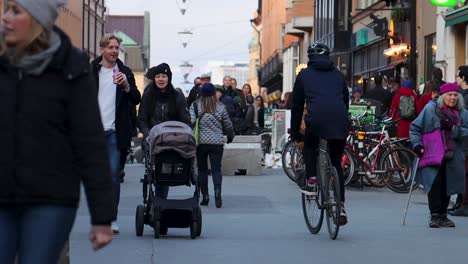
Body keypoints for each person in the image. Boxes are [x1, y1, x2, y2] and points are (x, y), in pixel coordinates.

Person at [0, 0, 116, 262]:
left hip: (50, 199)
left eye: (15, 11)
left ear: (37, 19)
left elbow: (90, 142)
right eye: (6, 9)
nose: (5, 17)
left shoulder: (70, 66)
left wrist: (102, 217)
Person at [290, 42, 349, 225]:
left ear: (310, 58)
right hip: (339, 121)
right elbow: (345, 101)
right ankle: (341, 205)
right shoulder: (339, 75)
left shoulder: (304, 75)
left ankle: (312, 179)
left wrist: (294, 132)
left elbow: (297, 106)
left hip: (316, 121)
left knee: (309, 145)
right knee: (336, 161)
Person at [91, 33, 141, 234]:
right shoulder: (90, 70)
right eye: (110, 47)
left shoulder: (125, 72)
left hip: (113, 131)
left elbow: (136, 98)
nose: (114, 51)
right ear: (102, 49)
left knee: (113, 175)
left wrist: (127, 86)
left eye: (116, 48)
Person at [410, 83, 468, 228]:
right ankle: (435, 215)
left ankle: (443, 214)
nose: (453, 98)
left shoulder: (463, 113)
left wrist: (454, 129)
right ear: (443, 96)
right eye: (450, 95)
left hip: (453, 154)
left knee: (449, 184)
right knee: (435, 183)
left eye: (456, 95)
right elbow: (415, 128)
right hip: (432, 152)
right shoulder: (430, 109)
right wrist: (417, 145)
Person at [137, 63, 190, 199]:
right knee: (154, 173)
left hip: (172, 140)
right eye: (158, 76)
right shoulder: (149, 95)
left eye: (164, 76)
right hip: (152, 140)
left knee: (165, 172)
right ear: (154, 79)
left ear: (169, 78)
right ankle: (157, 200)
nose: (161, 79)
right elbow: (142, 119)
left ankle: (160, 201)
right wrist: (148, 135)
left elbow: (184, 120)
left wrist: (181, 135)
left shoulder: (177, 96)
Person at [190, 83, 235, 208]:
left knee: (202, 170)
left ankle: (205, 196)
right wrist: (231, 136)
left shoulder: (195, 105)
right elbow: (228, 124)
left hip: (201, 143)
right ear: (214, 93)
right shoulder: (220, 107)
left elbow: (191, 122)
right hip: (217, 143)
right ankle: (217, 193)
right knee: (216, 169)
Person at [449, 65, 468, 216]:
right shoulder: (462, 95)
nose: (456, 79)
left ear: (463, 78)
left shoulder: (465, 97)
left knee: (465, 172)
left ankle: (464, 204)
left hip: (464, 139)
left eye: (457, 76)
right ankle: (460, 202)